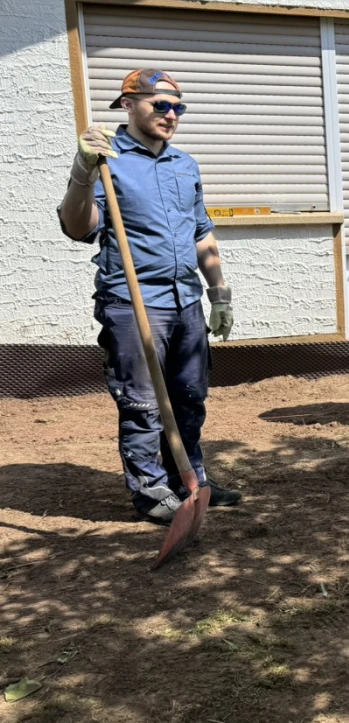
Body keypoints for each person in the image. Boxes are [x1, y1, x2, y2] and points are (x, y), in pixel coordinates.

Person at [59, 68, 243, 525]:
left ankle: (190, 480)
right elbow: (77, 227)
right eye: (161, 104)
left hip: (186, 301)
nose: (171, 114)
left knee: (189, 396)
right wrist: (82, 173)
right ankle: (150, 490)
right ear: (128, 104)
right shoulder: (107, 159)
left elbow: (202, 233)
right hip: (133, 300)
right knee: (142, 402)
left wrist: (219, 292)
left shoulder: (185, 164)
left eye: (178, 106)